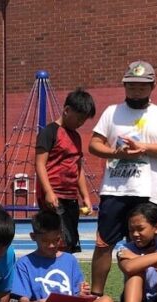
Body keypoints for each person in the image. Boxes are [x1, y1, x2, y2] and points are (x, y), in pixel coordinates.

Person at [88, 61, 157, 298]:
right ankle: (95, 296)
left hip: (147, 191)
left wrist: (143, 148)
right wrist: (115, 153)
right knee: (103, 244)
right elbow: (94, 144)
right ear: (124, 85)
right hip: (114, 190)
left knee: (144, 246)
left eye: (142, 86)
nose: (136, 91)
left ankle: (144, 297)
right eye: (131, 86)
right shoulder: (111, 112)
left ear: (152, 86)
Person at [11, 210, 114, 302]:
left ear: (61, 235)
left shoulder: (69, 260)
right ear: (33, 237)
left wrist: (83, 293)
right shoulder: (24, 263)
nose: (52, 245)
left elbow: (78, 293)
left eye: (56, 240)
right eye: (45, 241)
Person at [35, 88, 97, 253]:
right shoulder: (49, 132)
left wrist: (85, 196)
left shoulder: (76, 137)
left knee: (70, 240)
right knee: (55, 239)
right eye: (79, 118)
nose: (80, 123)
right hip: (54, 196)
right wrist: (48, 191)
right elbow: (40, 164)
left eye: (84, 120)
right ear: (67, 110)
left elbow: (78, 168)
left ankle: (65, 272)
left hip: (71, 197)